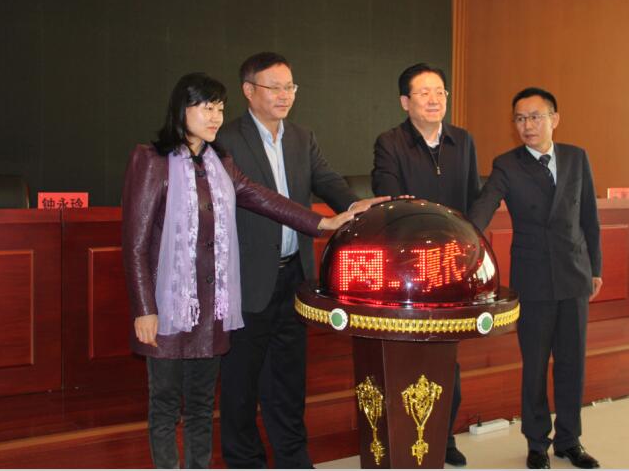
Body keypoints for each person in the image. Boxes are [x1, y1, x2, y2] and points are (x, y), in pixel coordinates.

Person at [121, 72, 358, 469]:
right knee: (165, 404)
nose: (215, 117)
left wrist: (322, 222)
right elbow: (135, 242)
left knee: (201, 406)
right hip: (167, 307)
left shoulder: (220, 163)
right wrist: (144, 309)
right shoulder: (151, 160)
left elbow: (264, 198)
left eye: (219, 109)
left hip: (211, 309)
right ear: (182, 110)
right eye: (205, 108)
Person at [217, 52, 387, 468]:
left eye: (290, 87)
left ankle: (293, 459)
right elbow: (252, 197)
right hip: (246, 280)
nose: (284, 95)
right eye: (274, 87)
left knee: (289, 382)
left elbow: (327, 181)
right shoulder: (226, 138)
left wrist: (357, 208)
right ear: (248, 91)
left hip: (294, 276)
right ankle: (245, 462)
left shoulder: (301, 136)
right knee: (240, 384)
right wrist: (322, 221)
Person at [468, 87, 602, 470]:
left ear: (554, 119)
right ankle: (536, 442)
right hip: (534, 279)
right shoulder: (507, 164)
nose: (527, 125)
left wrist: (595, 268)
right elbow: (484, 206)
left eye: (535, 117)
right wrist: (464, 235)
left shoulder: (576, 157)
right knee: (536, 366)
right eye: (520, 118)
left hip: (574, 275)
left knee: (572, 364)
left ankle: (570, 440)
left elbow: (589, 218)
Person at [371, 62, 479, 467]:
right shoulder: (390, 142)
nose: (434, 99)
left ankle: (442, 439)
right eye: (424, 93)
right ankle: (404, 439)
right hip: (406, 267)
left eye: (440, 92)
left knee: (446, 356)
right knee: (407, 356)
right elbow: (391, 199)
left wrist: (467, 245)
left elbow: (472, 198)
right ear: (405, 101)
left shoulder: (462, 141)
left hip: (452, 265)